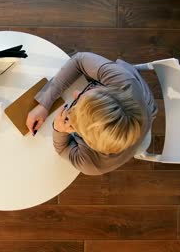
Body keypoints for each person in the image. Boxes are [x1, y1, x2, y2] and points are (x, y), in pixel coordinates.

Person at [26, 52, 158, 175]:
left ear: (86, 140)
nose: (76, 93)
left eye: (77, 102)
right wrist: (44, 104)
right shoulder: (124, 82)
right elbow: (79, 59)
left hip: (143, 124)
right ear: (110, 91)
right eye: (91, 91)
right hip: (144, 109)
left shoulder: (92, 164)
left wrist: (59, 130)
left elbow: (63, 149)